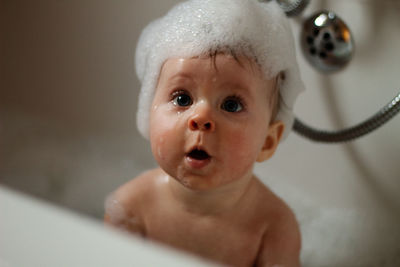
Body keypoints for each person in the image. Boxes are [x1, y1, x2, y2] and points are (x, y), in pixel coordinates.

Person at [105, 0, 305, 266]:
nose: (201, 118)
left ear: (267, 142)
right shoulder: (130, 208)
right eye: (182, 98)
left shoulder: (274, 228)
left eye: (231, 105)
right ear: (149, 111)